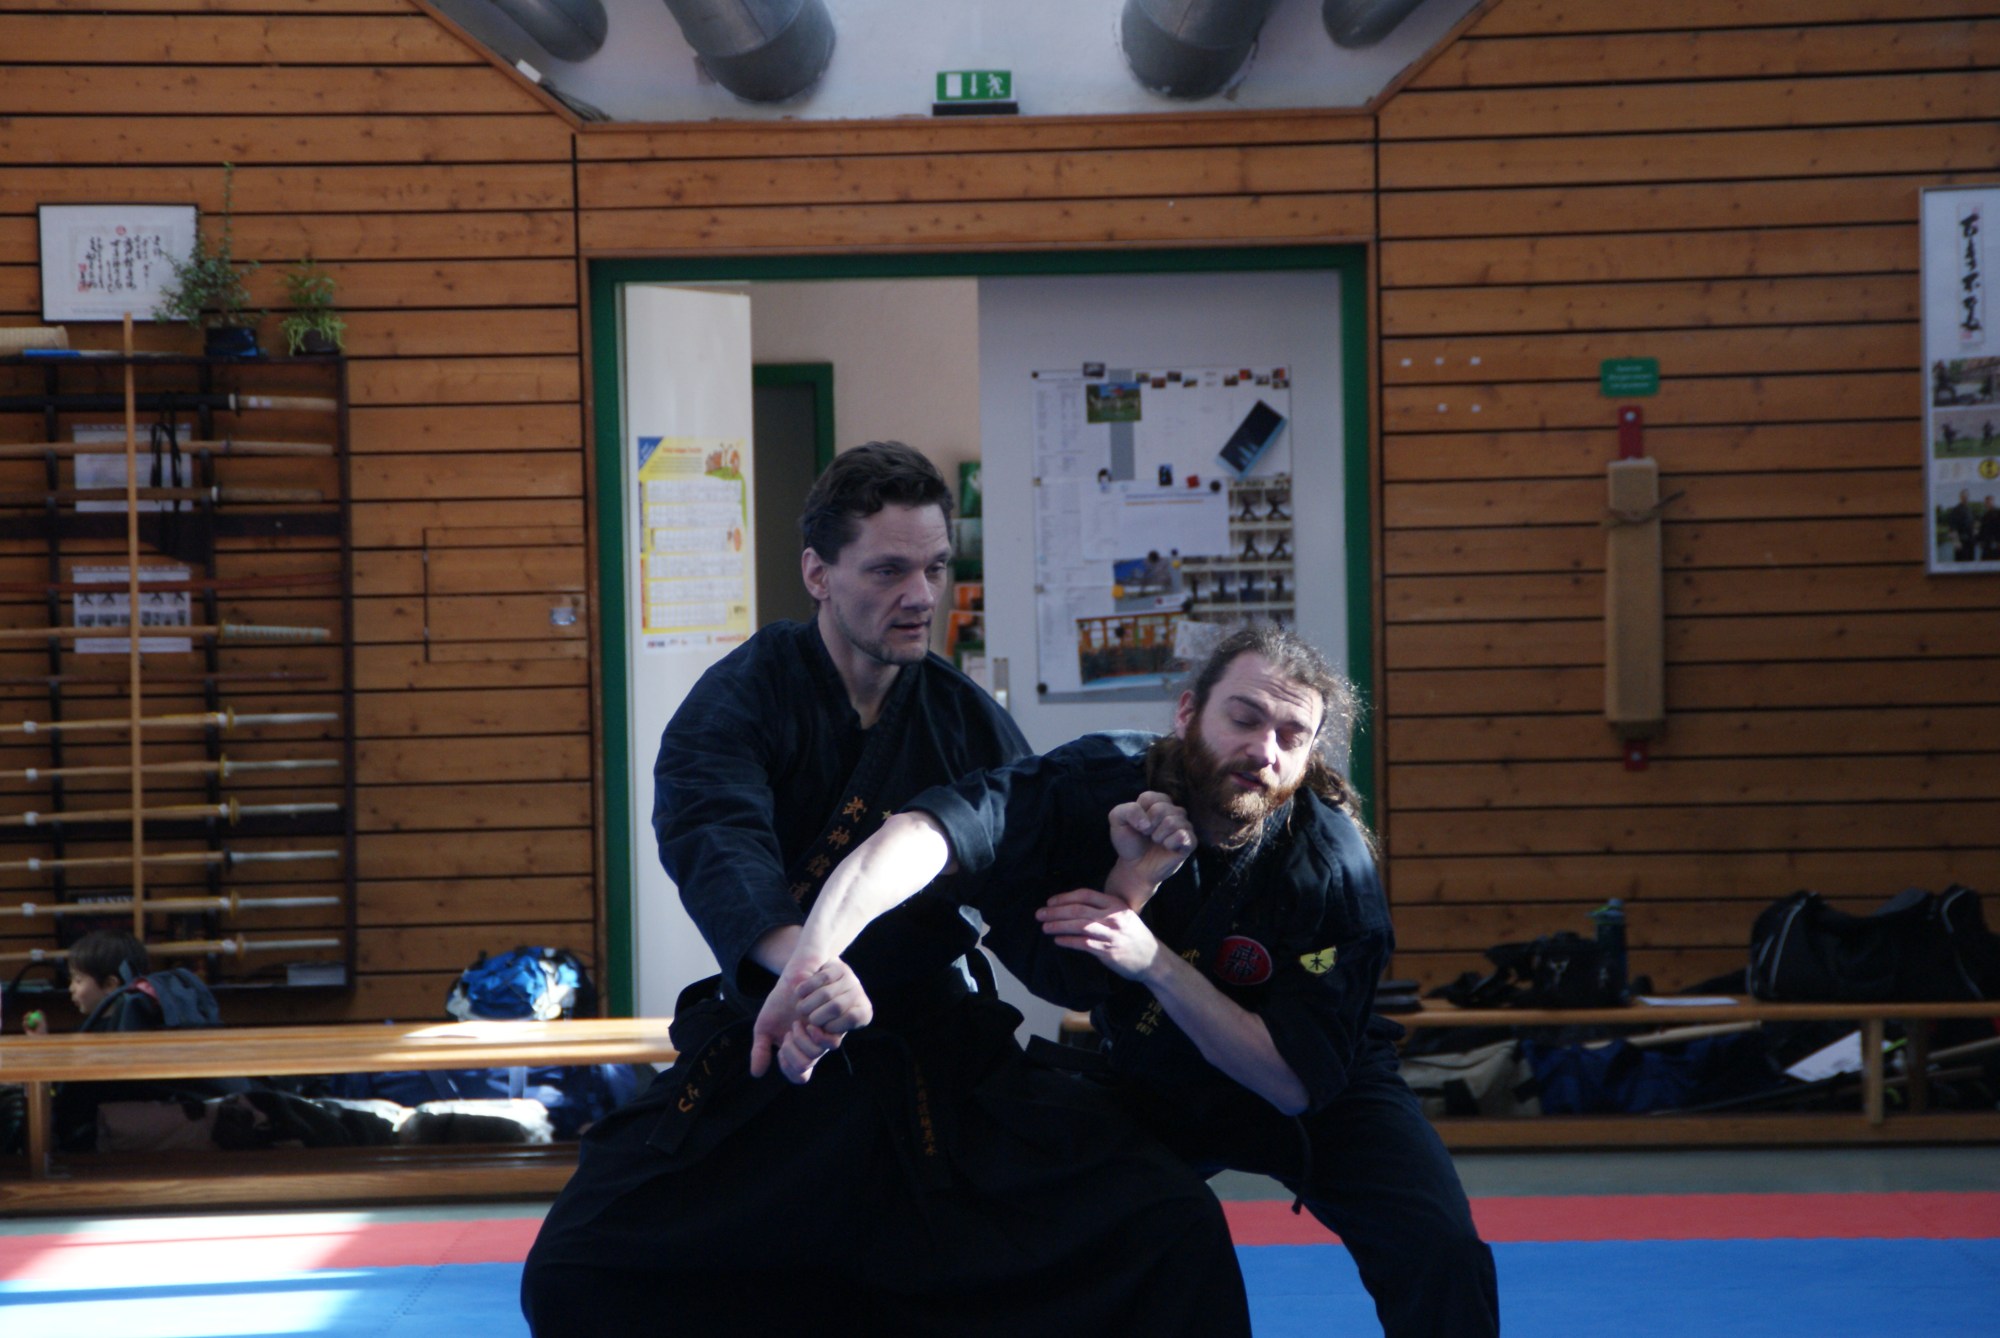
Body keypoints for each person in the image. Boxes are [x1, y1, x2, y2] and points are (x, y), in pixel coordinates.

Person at [521, 442, 1249, 1336]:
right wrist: (807, 969)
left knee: (1167, 1223)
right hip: (780, 1042)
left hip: (940, 1053)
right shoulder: (741, 700)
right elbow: (719, 845)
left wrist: (1127, 885)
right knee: (579, 1268)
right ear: (817, 574)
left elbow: (1034, 930)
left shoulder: (965, 721)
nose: (920, 595)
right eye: (889, 570)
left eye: (935, 568)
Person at [762, 623, 1501, 1337]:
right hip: (1160, 1076)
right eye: (1244, 718)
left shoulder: (1331, 868)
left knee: (1441, 1252)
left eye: (1291, 736)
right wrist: (812, 959)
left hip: (1327, 1090)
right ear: (1187, 713)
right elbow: (925, 834)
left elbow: (1290, 1084)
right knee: (1091, 1233)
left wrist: (1152, 960)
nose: (1263, 750)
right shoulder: (1101, 781)